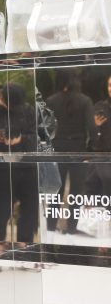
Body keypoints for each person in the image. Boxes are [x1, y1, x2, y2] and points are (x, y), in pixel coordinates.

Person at [0, 83, 38, 254]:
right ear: (2, 98)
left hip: (27, 166)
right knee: (1, 212)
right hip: (2, 169)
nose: (15, 110)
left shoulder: (27, 110)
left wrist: (20, 140)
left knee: (29, 211)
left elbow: (37, 138)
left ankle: (25, 249)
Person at [46, 71, 96, 234]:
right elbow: (92, 129)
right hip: (78, 149)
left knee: (56, 191)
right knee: (76, 192)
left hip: (57, 148)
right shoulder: (85, 101)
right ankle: (71, 230)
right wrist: (90, 151)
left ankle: (50, 227)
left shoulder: (51, 100)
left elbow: (45, 128)